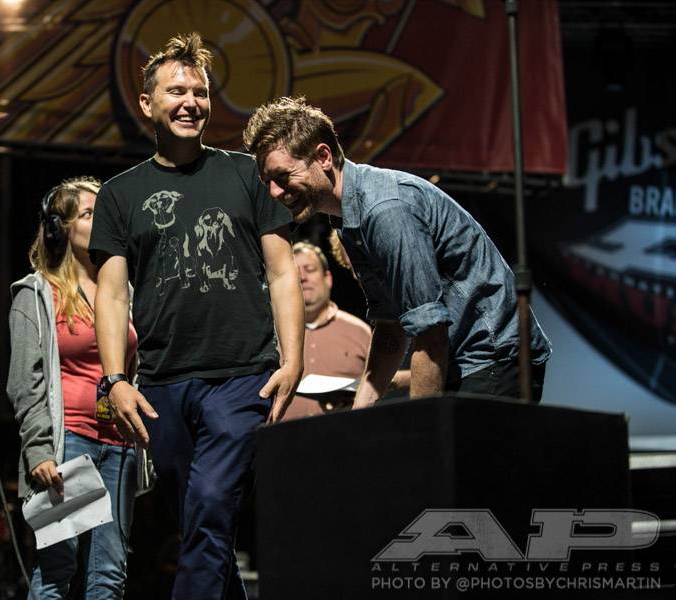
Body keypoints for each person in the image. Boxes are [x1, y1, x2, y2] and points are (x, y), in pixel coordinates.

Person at [89, 33, 304, 599]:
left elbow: (283, 273)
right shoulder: (119, 194)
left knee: (210, 506)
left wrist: (294, 361)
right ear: (147, 103)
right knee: (200, 527)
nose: (191, 101)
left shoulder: (246, 175)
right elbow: (111, 295)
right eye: (176, 90)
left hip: (241, 378)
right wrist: (115, 380)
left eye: (201, 92)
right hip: (162, 386)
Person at [243, 97, 551, 405]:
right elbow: (390, 327)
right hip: (466, 360)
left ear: (323, 156)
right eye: (268, 182)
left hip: (492, 360)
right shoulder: (349, 217)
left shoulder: (384, 210)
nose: (274, 192)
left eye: (282, 177)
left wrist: (418, 429)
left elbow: (430, 334)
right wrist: (362, 409)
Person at [6, 177, 138, 599]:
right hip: (70, 446)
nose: (101, 220)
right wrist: (38, 449)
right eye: (88, 213)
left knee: (109, 575)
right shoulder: (38, 295)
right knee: (58, 569)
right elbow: (26, 382)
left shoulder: (124, 292)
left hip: (119, 445)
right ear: (60, 228)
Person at [284, 240, 409, 420]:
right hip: (282, 442)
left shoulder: (360, 331)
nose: (303, 277)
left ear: (328, 278)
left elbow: (385, 379)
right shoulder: (272, 336)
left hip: (345, 439)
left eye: (310, 270)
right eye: (296, 273)